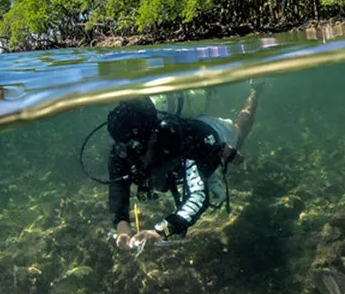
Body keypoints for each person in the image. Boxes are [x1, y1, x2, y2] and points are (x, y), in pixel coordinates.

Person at [107, 85, 260, 252]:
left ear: (153, 136)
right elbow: (117, 192)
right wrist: (123, 231)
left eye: (135, 145)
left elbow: (198, 196)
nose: (129, 152)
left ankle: (255, 90)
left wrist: (161, 231)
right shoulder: (121, 150)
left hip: (208, 133)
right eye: (123, 144)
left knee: (239, 131)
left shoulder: (179, 141)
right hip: (179, 151)